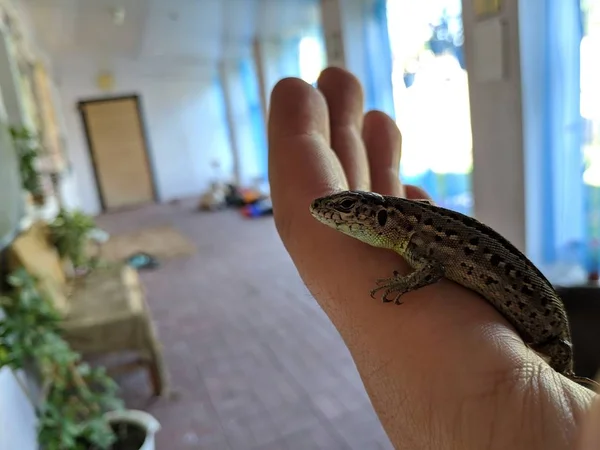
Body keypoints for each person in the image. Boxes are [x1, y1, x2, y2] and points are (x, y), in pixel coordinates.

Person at [267, 66, 599, 450]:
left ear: (377, 215)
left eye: (343, 207)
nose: (331, 212)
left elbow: (435, 268)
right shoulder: (407, 231)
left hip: (548, 333)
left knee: (565, 372)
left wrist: (402, 283)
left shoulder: (414, 240)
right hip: (540, 325)